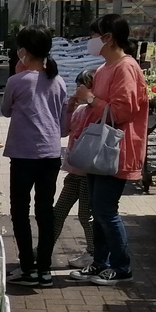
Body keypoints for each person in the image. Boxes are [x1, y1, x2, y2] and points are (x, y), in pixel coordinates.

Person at [69, 13, 150, 286]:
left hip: (115, 149)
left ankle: (121, 266)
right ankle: (100, 262)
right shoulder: (104, 69)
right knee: (98, 209)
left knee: (106, 210)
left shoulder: (126, 67)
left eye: (94, 35)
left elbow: (123, 112)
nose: (90, 40)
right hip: (99, 149)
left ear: (108, 38)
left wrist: (91, 99)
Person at [1, 26, 66, 288]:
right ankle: (45, 269)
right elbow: (63, 124)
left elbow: (5, 110)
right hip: (50, 153)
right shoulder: (58, 81)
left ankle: (28, 267)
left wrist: (18, 73)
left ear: (24, 51)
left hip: (23, 154)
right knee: (45, 211)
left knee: (20, 210)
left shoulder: (17, 81)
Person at [51, 66, 97, 269]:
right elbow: (64, 131)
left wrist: (91, 101)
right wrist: (69, 109)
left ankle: (93, 253)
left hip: (88, 173)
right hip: (74, 172)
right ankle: (45, 248)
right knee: (58, 212)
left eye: (82, 86)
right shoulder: (79, 111)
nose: (78, 89)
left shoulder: (97, 111)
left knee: (85, 215)